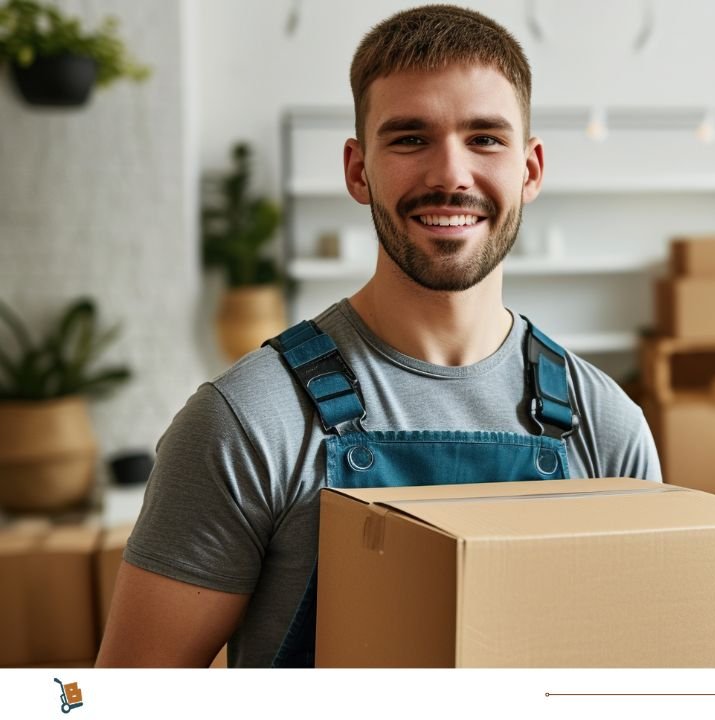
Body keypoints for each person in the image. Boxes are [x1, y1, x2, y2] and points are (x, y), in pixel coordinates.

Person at [97, 5, 660, 669]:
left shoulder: (607, 427)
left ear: (530, 171)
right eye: (410, 138)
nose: (450, 174)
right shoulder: (246, 422)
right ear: (358, 171)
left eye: (485, 139)